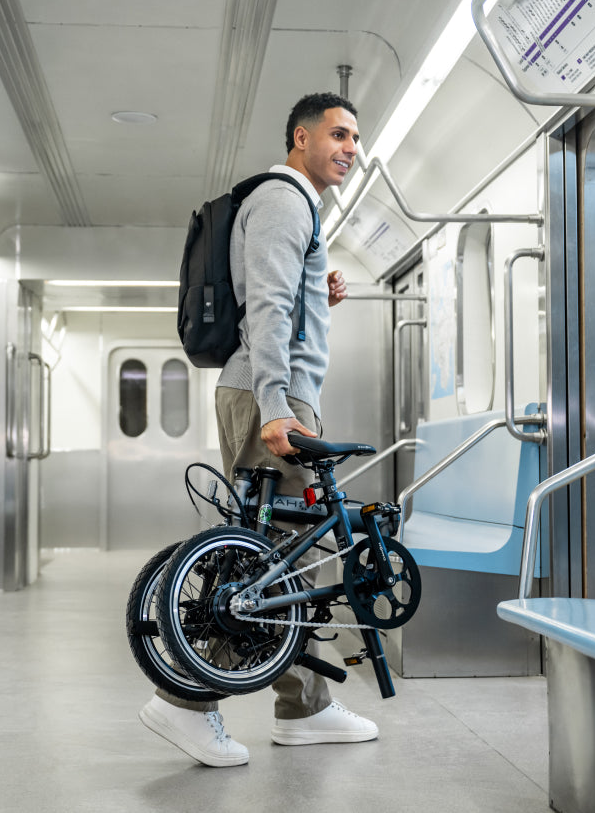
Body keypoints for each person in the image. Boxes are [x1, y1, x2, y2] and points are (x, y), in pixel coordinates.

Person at [140, 93, 376, 767]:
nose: (350, 147)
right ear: (299, 137)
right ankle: (186, 701)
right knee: (261, 565)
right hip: (270, 398)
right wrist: (276, 405)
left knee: (288, 559)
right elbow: (267, 306)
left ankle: (303, 706)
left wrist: (315, 295)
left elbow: (278, 296)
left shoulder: (295, 207)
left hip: (276, 393)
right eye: (337, 133)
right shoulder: (284, 199)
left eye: (356, 137)